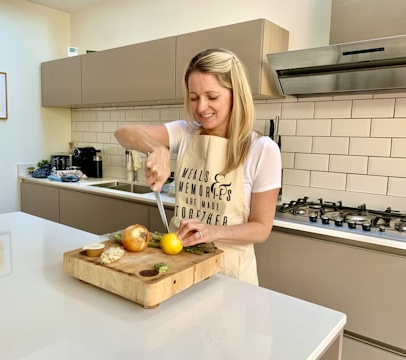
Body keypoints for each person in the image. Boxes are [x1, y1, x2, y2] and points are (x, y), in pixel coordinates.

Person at [114, 48, 281, 285]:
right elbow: (123, 133)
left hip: (230, 275)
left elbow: (261, 228)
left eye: (212, 97)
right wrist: (157, 148)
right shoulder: (184, 133)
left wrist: (212, 231)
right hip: (180, 266)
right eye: (194, 97)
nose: (201, 107)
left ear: (236, 95)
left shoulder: (262, 149)